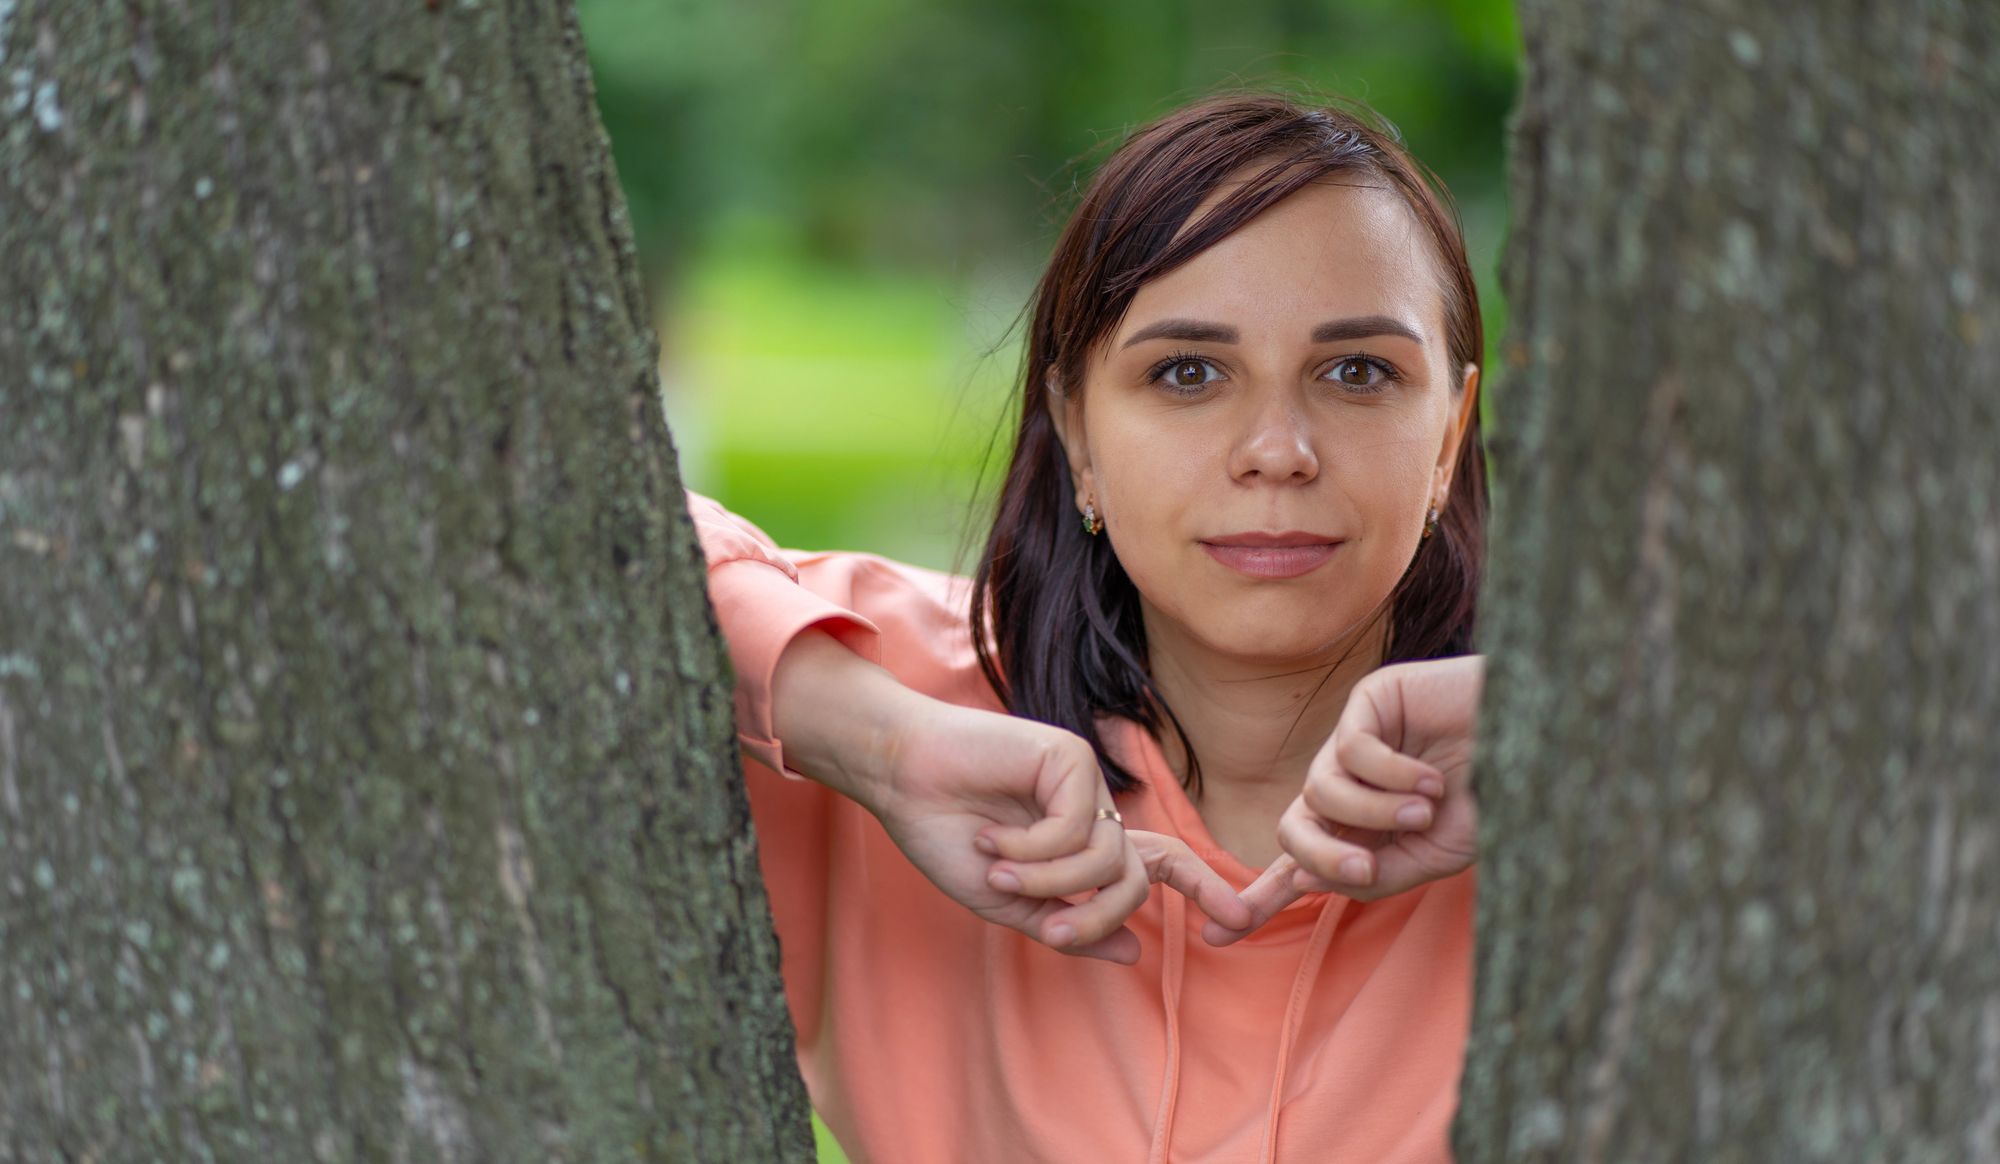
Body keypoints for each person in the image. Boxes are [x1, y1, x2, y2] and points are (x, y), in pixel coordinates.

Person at [689, 93, 1489, 1164]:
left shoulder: (1582, 767)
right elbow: (526, 527)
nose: (1275, 449)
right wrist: (875, 744)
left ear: (1448, 436)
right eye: (1187, 372)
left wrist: (1582, 738)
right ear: (1076, 432)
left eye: (1356, 372)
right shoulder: (905, 700)